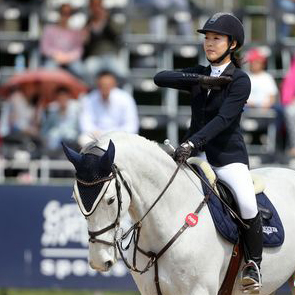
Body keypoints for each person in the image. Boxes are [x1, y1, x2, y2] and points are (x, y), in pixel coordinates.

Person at [154, 12, 263, 293]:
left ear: (233, 44)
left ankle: (253, 264)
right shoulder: (201, 74)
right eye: (207, 38)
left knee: (248, 204)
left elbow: (224, 120)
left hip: (226, 158)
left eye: (217, 38)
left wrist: (192, 143)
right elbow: (160, 77)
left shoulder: (240, 81)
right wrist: (201, 80)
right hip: (193, 157)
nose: (209, 44)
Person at [79, 70, 139, 145]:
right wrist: (97, 133)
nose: (105, 87)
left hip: (119, 137)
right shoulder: (89, 99)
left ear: (114, 84)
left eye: (108, 85)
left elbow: (132, 126)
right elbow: (85, 124)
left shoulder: (125, 99)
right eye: (102, 85)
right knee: (84, 139)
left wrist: (114, 134)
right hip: (97, 137)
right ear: (98, 85)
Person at [82, 0, 127, 86]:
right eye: (93, 6)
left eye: (98, 5)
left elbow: (117, 34)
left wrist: (105, 20)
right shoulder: (88, 23)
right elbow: (85, 45)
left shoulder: (109, 20)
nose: (96, 9)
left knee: (123, 73)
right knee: (87, 71)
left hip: (111, 56)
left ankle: (114, 92)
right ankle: (97, 92)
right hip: (95, 57)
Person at [40, 3, 86, 80]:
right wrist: (56, 55)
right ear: (59, 13)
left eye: (68, 13)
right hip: (53, 58)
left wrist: (68, 57)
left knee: (82, 72)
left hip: (71, 60)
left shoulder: (75, 31)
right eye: (63, 13)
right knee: (48, 72)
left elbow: (79, 49)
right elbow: (44, 48)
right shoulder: (49, 29)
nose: (65, 16)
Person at [41, 86, 80, 157]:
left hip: (71, 142)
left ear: (68, 97)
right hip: (55, 145)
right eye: (60, 98)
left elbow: (79, 128)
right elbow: (45, 129)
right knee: (53, 135)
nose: (62, 100)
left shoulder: (76, 109)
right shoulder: (51, 111)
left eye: (64, 97)